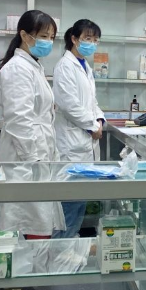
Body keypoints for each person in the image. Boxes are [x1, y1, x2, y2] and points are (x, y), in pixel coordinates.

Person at [0, 10, 66, 240]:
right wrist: (33, 159)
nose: (48, 42)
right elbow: (19, 119)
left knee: (38, 222)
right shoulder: (17, 69)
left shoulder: (33, 67)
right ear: (25, 35)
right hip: (25, 162)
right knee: (25, 225)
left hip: (37, 157)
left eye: (52, 37)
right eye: (43, 36)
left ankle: (38, 260)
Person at [52, 19, 105, 239]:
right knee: (69, 208)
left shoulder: (85, 66)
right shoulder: (65, 66)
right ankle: (59, 253)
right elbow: (69, 105)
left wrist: (99, 119)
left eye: (95, 40)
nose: (92, 44)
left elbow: (91, 102)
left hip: (84, 145)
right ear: (74, 39)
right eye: (87, 38)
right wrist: (93, 126)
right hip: (72, 146)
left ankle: (67, 251)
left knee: (78, 204)